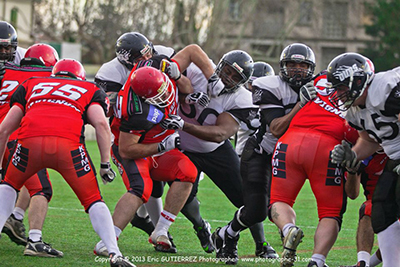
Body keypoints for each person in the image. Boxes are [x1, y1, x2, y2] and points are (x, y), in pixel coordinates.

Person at [0, 58, 135, 267]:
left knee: (9, 185)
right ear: (79, 77)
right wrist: (105, 164)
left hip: (29, 144)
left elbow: (4, 129)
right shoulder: (89, 88)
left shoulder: (32, 84)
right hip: (68, 148)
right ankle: (114, 253)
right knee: (93, 200)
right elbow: (100, 123)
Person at [93, 44, 217, 256]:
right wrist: (162, 146)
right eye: (158, 95)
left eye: (165, 88)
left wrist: (182, 83)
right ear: (144, 98)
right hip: (138, 149)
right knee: (141, 188)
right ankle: (108, 241)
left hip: (158, 146)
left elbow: (190, 51)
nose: (165, 94)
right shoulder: (136, 111)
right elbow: (127, 149)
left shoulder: (155, 65)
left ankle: (161, 230)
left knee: (188, 172)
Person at [161, 50, 278, 264]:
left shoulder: (241, 98)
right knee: (183, 195)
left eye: (236, 77)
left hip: (215, 150)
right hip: (181, 148)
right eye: (227, 72)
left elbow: (220, 134)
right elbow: (193, 50)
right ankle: (201, 227)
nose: (229, 78)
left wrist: (183, 125)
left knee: (249, 197)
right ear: (219, 66)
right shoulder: (200, 72)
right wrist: (202, 74)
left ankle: (261, 244)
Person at [202, 43, 315, 265]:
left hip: (291, 157)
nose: (297, 69)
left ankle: (226, 235)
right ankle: (229, 235)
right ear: (283, 67)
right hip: (260, 154)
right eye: (292, 64)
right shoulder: (270, 86)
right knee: (256, 211)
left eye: (302, 65)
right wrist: (301, 104)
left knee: (276, 205)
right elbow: (276, 128)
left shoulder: (318, 87)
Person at [329, 52, 400, 267]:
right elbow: (369, 140)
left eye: (341, 87)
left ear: (358, 80)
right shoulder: (355, 111)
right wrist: (353, 155)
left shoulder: (385, 88)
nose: (338, 93)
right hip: (395, 156)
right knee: (381, 210)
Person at [0, 44, 64, 257]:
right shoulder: (44, 78)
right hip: (18, 138)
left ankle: (15, 217)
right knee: (42, 189)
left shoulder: (7, 71)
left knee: (11, 184)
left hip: (5, 137)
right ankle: (35, 241)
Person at [341, 151, 388, 267]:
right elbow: (352, 194)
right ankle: (363, 262)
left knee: (394, 243)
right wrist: (352, 171)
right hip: (377, 202)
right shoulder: (364, 153)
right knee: (368, 208)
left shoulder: (395, 148)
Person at [235, 61, 275, 157]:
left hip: (267, 157)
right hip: (243, 156)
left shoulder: (275, 104)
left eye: (261, 84)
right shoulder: (238, 102)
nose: (256, 89)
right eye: (252, 84)